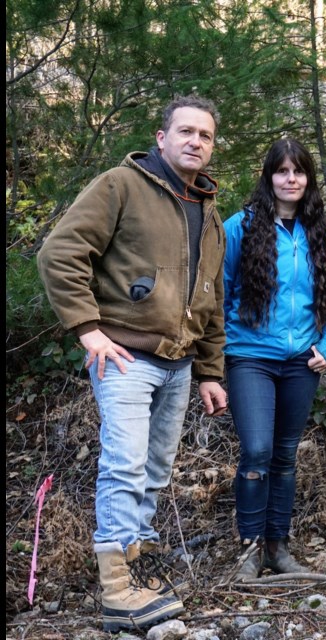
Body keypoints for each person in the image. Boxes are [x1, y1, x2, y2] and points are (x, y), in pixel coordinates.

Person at [37, 95, 228, 631]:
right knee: (124, 465)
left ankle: (137, 571)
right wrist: (88, 330)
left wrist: (211, 373)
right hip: (124, 359)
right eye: (185, 131)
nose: (195, 141)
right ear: (161, 137)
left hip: (179, 366)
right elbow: (60, 253)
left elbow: (209, 301)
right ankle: (116, 588)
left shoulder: (208, 213)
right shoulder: (120, 186)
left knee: (155, 471)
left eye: (205, 135)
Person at [222, 139, 326, 580]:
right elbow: (218, 294)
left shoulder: (322, 234)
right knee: (257, 450)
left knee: (286, 455)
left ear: (308, 178)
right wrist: (213, 358)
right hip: (250, 357)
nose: (290, 179)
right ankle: (249, 549)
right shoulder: (240, 227)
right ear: (269, 177)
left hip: (302, 363)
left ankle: (278, 546)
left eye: (298, 171)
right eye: (282, 171)